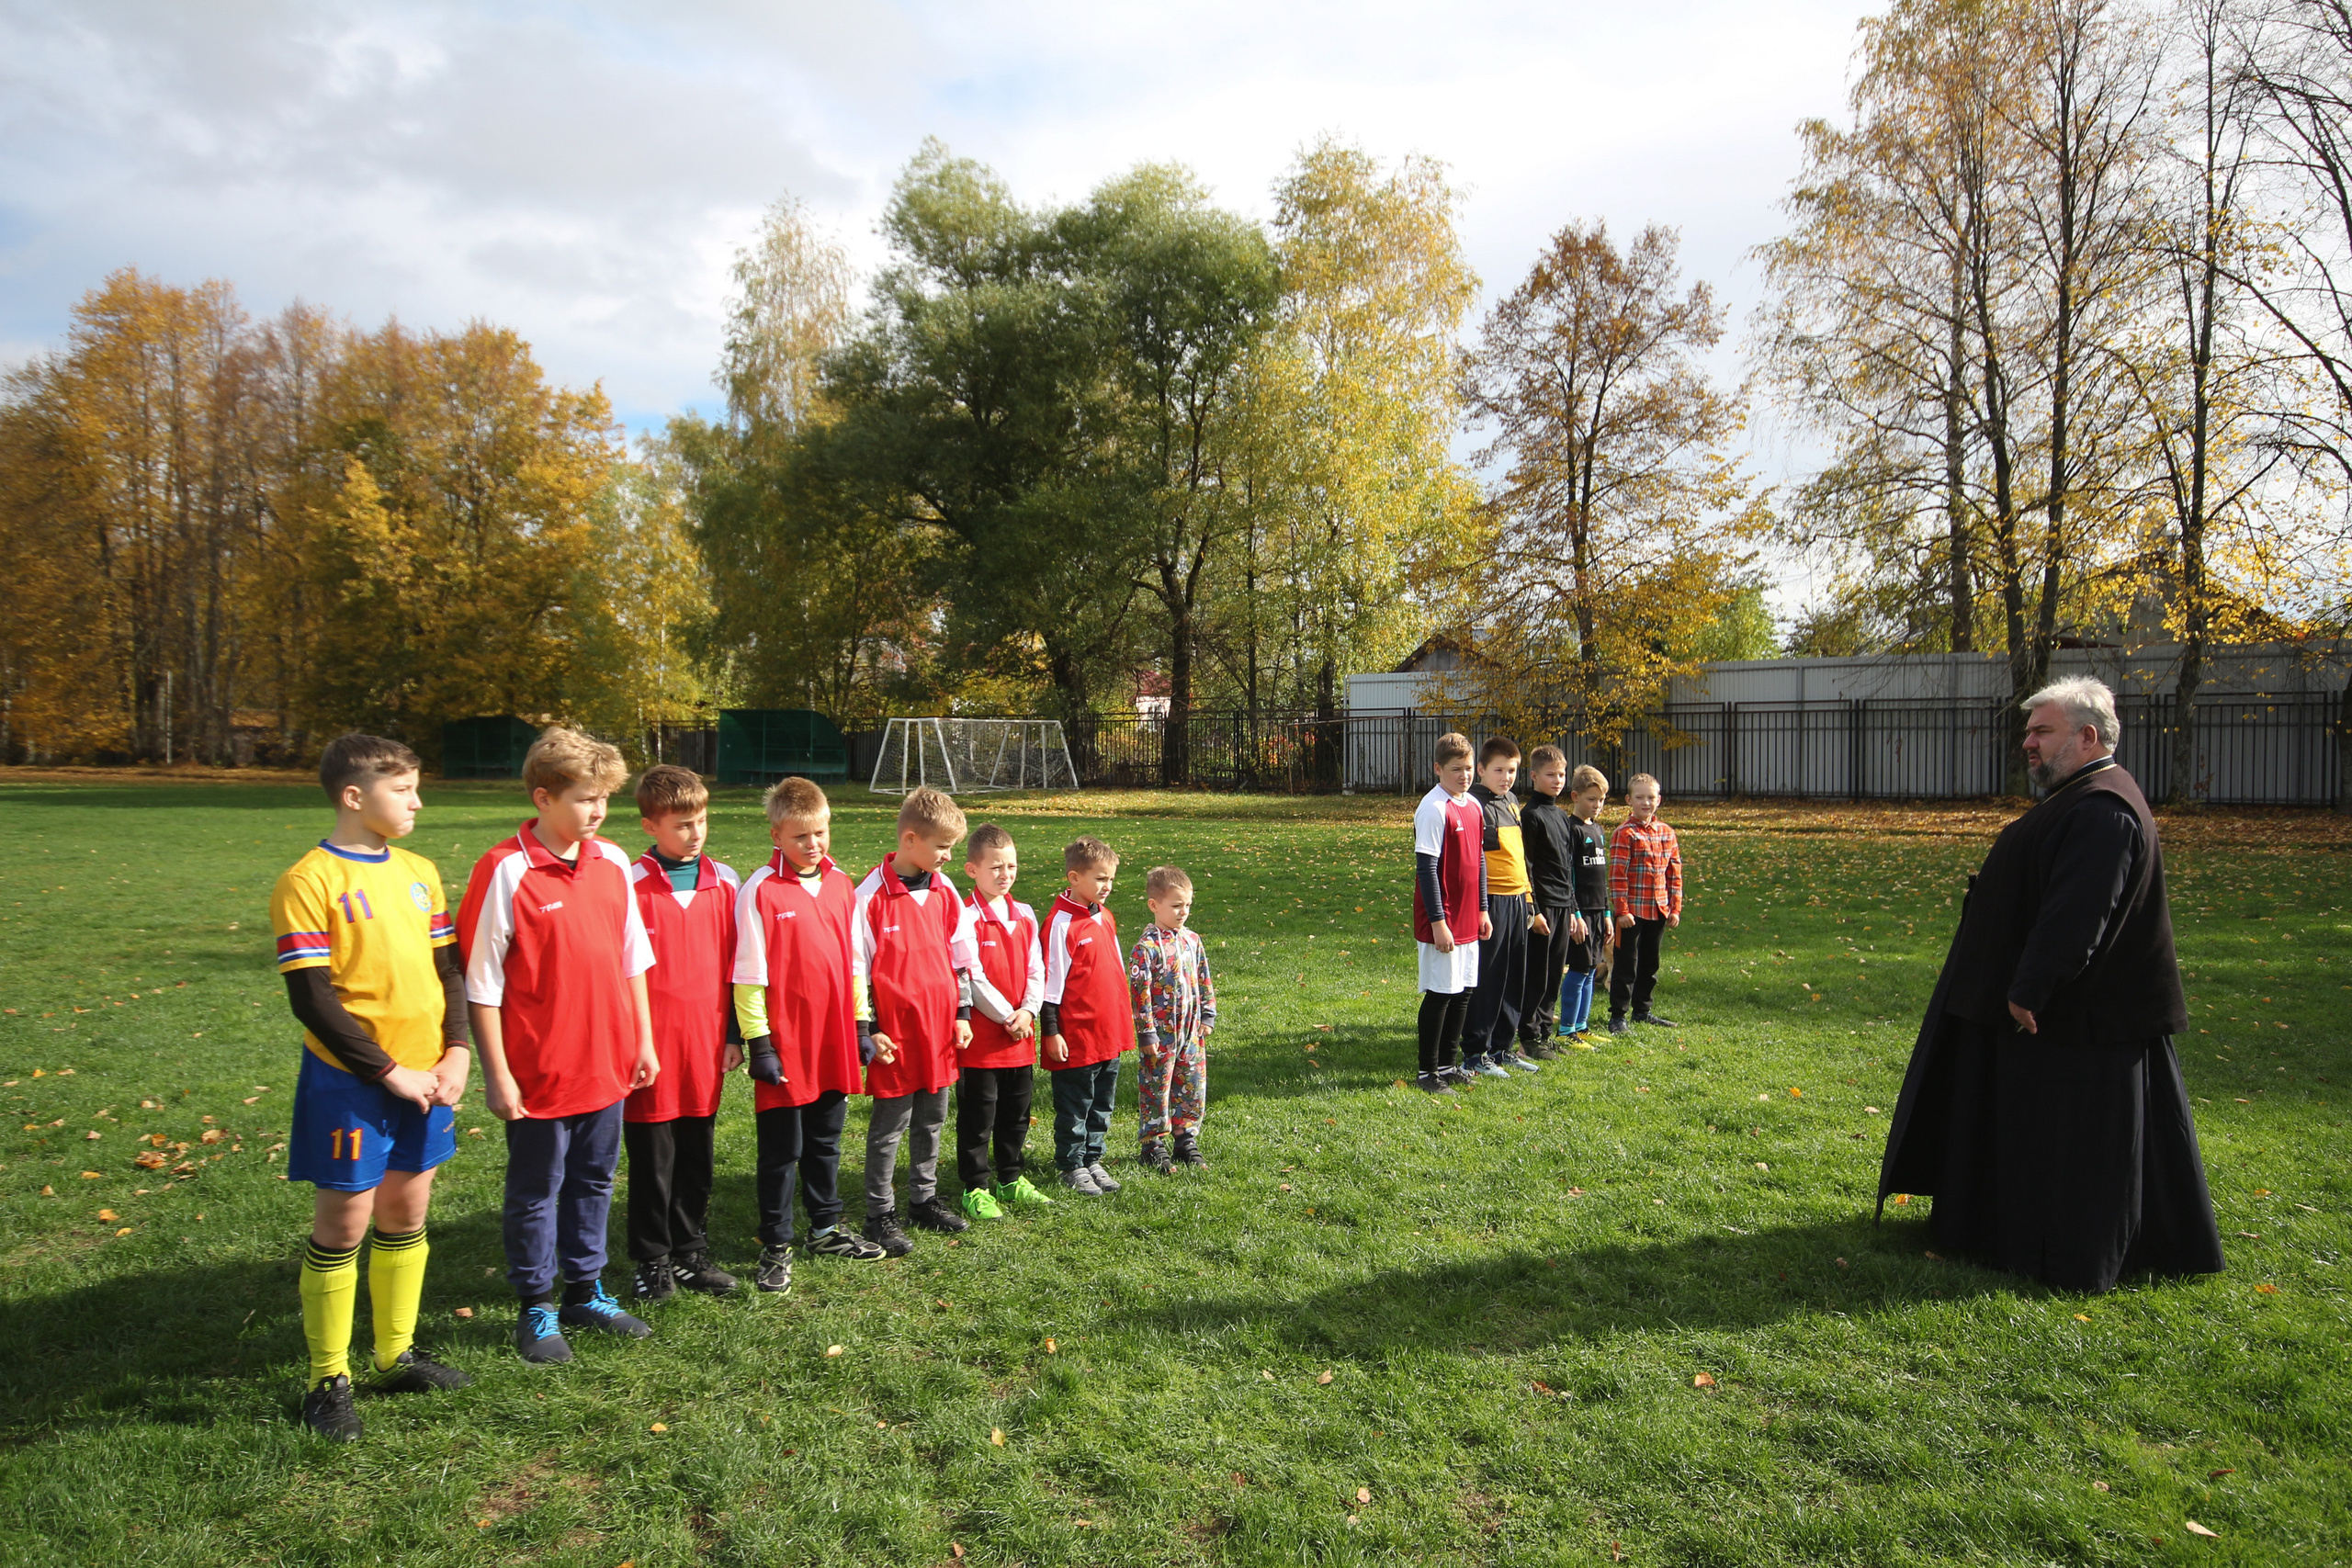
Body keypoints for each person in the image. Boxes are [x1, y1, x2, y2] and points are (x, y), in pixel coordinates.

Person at [1878, 678, 2225, 1293]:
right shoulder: (2082, 796)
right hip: (2046, 1015)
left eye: (2042, 730)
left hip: (2074, 1023)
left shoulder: (2103, 808)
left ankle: (2059, 1251)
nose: (2028, 743)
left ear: (2088, 735)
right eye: (2029, 731)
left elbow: (2079, 912)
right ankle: (2001, 1230)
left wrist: (2030, 987)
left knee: (2072, 1147)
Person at [272, 733, 473, 1440]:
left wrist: (456, 1050)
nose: (418, 800)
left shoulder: (420, 870)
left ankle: (394, 1352)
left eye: (417, 786)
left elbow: (450, 972)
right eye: (403, 788)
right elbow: (313, 999)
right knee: (346, 1220)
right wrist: (389, 1071)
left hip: (428, 1074)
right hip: (352, 1080)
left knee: (406, 1208)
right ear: (354, 796)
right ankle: (328, 1378)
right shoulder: (310, 880)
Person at [458, 728, 660, 1364]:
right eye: (584, 798)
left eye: (604, 798)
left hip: (607, 1060)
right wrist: (497, 1073)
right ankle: (536, 1305)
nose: (597, 811)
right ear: (543, 797)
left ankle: (585, 1289)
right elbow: (481, 983)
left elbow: (633, 960)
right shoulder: (505, 869)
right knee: (537, 1187)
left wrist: (644, 1039)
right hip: (539, 1068)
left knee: (595, 1178)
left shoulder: (611, 863)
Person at [732, 777, 886, 1292]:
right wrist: (759, 1043)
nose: (813, 845)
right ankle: (776, 1245)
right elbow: (749, 975)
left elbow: (854, 963)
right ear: (776, 835)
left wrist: (862, 1025)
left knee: (826, 1140)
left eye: (819, 833)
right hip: (787, 1044)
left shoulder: (842, 885)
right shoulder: (760, 890)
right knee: (781, 1151)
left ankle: (825, 1227)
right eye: (800, 837)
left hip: (834, 1036)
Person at [622, 764, 741, 1303]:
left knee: (697, 1150)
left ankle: (690, 1248)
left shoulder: (726, 881)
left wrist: (734, 1034)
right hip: (649, 1047)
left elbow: (741, 968)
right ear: (651, 826)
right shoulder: (627, 883)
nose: (695, 834)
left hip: (706, 1043)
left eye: (702, 822)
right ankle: (651, 1257)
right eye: (682, 825)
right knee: (654, 1155)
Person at [854, 786, 978, 1257]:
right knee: (890, 1125)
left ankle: (923, 1199)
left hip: (939, 1030)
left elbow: (959, 956)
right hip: (895, 1037)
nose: (948, 856)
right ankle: (878, 1213)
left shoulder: (945, 889)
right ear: (910, 839)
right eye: (943, 847)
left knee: (933, 1118)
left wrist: (962, 1012)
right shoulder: (869, 898)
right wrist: (869, 1029)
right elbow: (856, 971)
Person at [956, 823, 1056, 1220]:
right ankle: (976, 1186)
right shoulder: (964, 916)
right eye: (995, 867)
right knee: (979, 1118)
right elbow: (971, 974)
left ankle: (1011, 1178)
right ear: (972, 870)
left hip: (1020, 1035)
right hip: (982, 1041)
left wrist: (1028, 1011)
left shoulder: (1025, 914)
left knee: (1016, 1112)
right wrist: (1005, 1015)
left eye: (1011, 866)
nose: (1005, 874)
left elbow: (1037, 968)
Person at [1039, 836, 1136, 1193]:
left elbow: (1116, 974)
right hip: (1075, 1038)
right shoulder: (1061, 924)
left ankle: (1093, 1159)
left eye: (1110, 878)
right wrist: (1051, 1031)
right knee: (1075, 1105)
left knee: (1101, 1103)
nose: (1107, 886)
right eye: (1099, 878)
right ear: (1074, 878)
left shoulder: (1105, 917)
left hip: (1108, 1034)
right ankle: (1071, 1164)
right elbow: (1050, 986)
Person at [1413, 731, 1489, 1094]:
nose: (1464, 776)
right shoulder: (1432, 807)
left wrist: (1483, 909)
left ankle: (1448, 1063)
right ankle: (1427, 1072)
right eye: (1456, 769)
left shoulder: (1473, 805)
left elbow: (1480, 860)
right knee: (1441, 993)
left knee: (1463, 992)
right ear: (1438, 769)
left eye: (1469, 768)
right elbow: (1427, 869)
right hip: (1442, 921)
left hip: (1468, 918)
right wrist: (1439, 923)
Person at [1128, 864, 1217, 1174]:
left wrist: (1208, 1013)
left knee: (1191, 1084)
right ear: (1154, 905)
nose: (1183, 912)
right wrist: (1147, 1032)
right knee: (1157, 1086)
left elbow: (1203, 978)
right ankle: (1153, 1143)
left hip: (1191, 1032)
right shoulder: (1147, 948)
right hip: (1161, 1035)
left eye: (1188, 905)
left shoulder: (1192, 941)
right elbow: (1139, 993)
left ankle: (1185, 1138)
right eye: (1176, 905)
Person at [1465, 737, 1542, 1077]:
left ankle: (1502, 1048)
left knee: (1514, 977)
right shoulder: (1472, 804)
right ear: (1480, 770)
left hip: (1517, 901)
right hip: (1491, 902)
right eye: (1498, 770)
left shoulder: (1512, 801)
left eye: (1512, 770)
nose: (1506, 777)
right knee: (1490, 977)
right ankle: (1475, 1052)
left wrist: (1528, 899)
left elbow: (1521, 859)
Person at [1607, 773, 1682, 1033]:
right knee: (1626, 964)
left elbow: (1674, 873)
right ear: (1629, 800)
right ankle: (1618, 1015)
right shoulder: (1625, 833)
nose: (1646, 803)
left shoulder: (1667, 833)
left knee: (1650, 964)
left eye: (1651, 798)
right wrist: (1622, 910)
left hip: (1658, 909)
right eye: (1640, 798)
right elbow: (1617, 874)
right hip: (1633, 912)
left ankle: (1643, 1010)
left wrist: (1675, 907)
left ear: (1659, 800)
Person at [1516, 745, 1577, 1058]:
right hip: (1542, 908)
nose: (1557, 780)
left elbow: (1566, 867)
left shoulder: (1562, 816)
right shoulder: (1531, 815)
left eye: (1562, 774)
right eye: (1550, 775)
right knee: (1537, 974)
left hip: (1562, 905)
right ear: (1535, 776)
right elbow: (1526, 867)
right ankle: (1528, 1037)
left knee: (1555, 973)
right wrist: (1535, 911)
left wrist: (1573, 909)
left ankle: (1544, 1032)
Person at [1556, 764, 1614, 1045]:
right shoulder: (1571, 829)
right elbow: (1569, 875)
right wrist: (1574, 912)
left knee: (1592, 968)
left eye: (1601, 800)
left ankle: (1582, 1025)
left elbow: (1600, 878)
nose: (1597, 805)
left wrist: (1606, 913)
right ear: (1575, 796)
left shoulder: (1599, 829)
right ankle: (1566, 1030)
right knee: (1579, 969)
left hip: (1597, 911)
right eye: (1591, 799)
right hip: (1579, 913)